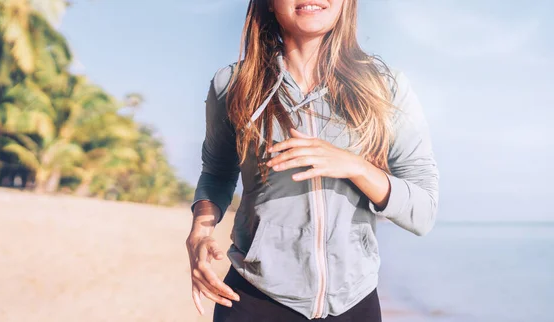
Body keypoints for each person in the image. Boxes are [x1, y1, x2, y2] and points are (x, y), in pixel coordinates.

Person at [186, 0, 440, 321]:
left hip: (354, 303)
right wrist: (200, 232)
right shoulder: (234, 84)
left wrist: (356, 167)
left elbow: (423, 212)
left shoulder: (385, 87)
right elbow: (217, 173)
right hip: (255, 298)